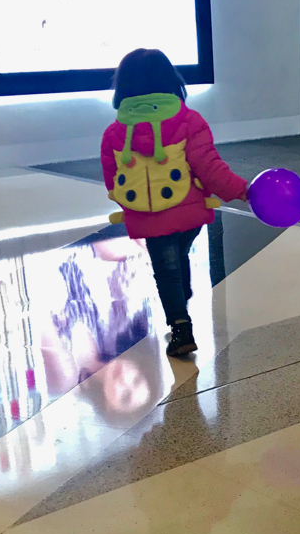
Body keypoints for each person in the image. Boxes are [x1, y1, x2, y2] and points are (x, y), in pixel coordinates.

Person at [103, 48, 248, 358]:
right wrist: (242, 190)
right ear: (171, 80)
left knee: (166, 270)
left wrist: (128, 205)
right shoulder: (189, 121)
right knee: (176, 258)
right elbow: (209, 168)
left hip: (148, 218)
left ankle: (181, 329)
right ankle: (181, 294)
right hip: (189, 215)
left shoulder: (115, 133)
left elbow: (113, 180)